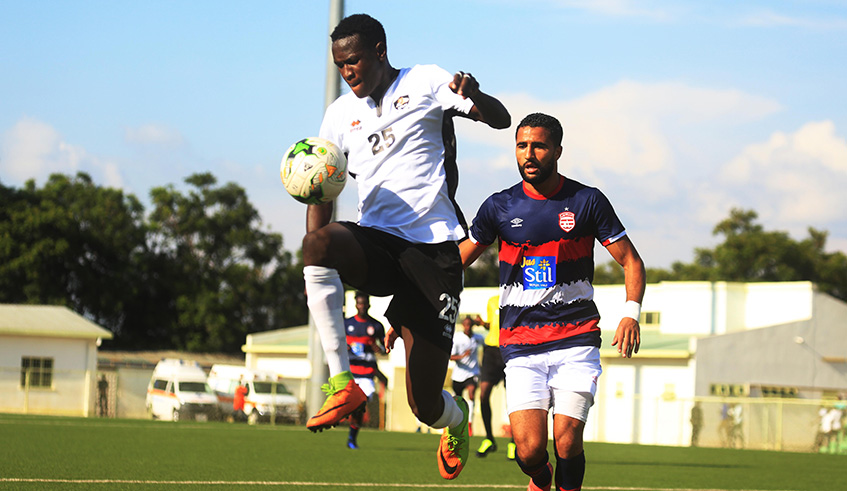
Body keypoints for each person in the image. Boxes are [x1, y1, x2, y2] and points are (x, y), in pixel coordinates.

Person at [301, 13, 510, 480]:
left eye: (352, 60)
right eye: (339, 65)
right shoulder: (339, 114)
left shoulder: (427, 81)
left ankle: (456, 418)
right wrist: (314, 243)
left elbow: (501, 120)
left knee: (423, 402)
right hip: (375, 240)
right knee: (315, 246)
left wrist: (473, 94)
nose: (346, 71)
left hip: (433, 252)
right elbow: (321, 183)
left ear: (379, 51)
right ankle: (343, 383)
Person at [459, 113, 645, 491]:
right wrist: (411, 303)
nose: (529, 154)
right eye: (522, 145)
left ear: (557, 150)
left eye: (539, 146)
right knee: (528, 452)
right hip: (521, 344)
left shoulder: (587, 201)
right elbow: (456, 261)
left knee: (566, 438)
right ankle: (541, 481)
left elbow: (631, 261)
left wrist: (631, 313)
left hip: (576, 339)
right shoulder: (499, 206)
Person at [474, 295, 516, 459]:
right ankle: (489, 439)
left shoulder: (518, 297)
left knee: (512, 399)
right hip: (491, 351)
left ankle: (513, 442)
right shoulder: (492, 300)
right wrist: (482, 323)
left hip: (510, 349)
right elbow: (492, 325)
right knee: (483, 395)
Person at [344, 291, 387, 449]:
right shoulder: (346, 323)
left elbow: (384, 348)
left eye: (364, 303)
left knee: (361, 405)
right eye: (359, 303)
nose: (362, 306)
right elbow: (336, 342)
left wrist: (379, 349)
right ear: (356, 304)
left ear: (369, 305)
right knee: (349, 404)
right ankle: (351, 437)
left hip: (367, 374)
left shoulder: (376, 326)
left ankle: (351, 438)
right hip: (350, 372)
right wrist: (345, 347)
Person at [450, 316, 484, 435]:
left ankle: (469, 424)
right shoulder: (458, 338)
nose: (468, 327)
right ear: (463, 325)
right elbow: (451, 357)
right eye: (466, 324)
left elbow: (488, 344)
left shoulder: (478, 338)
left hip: (472, 373)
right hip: (458, 375)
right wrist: (463, 356)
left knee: (471, 393)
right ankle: (456, 424)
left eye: (470, 324)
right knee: (457, 400)